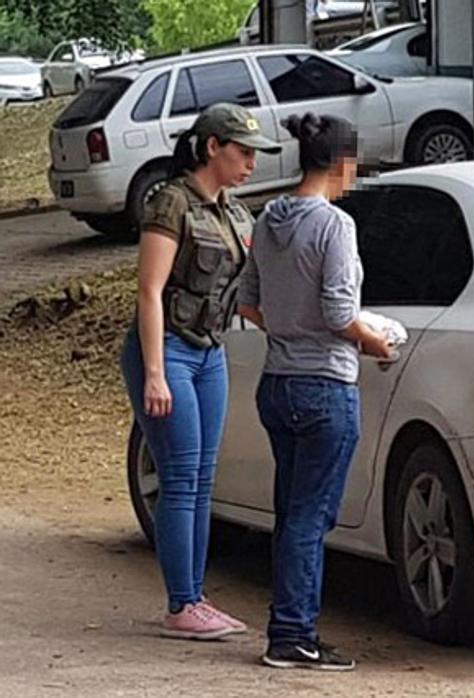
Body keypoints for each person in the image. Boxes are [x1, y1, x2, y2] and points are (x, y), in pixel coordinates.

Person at [237, 113, 393, 671]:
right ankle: (292, 633)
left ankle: (289, 624)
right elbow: (337, 310)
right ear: (344, 165)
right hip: (325, 382)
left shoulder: (270, 216)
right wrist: (372, 340)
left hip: (277, 381)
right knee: (311, 516)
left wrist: (285, 326)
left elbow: (248, 300)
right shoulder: (334, 226)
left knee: (291, 511)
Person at [119, 103, 281, 640]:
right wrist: (155, 373)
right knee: (180, 477)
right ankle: (181, 602)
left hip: (209, 349)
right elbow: (149, 291)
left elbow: (246, 290)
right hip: (167, 348)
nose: (251, 163)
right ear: (212, 147)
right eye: (242, 151)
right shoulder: (171, 203)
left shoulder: (233, 212)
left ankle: (195, 597)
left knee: (203, 478)